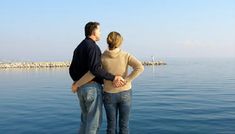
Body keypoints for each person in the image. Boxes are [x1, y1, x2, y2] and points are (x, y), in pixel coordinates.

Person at [72, 31, 144, 134]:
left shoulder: (102, 57)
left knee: (111, 126)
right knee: (124, 125)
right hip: (125, 92)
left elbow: (92, 73)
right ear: (120, 42)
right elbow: (140, 67)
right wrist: (125, 80)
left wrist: (77, 84)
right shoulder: (126, 55)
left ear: (108, 42)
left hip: (109, 94)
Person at [69, 22, 125, 134]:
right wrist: (113, 77)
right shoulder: (93, 47)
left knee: (85, 121)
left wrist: (77, 83)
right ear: (94, 31)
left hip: (81, 90)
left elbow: (71, 70)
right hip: (92, 89)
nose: (100, 33)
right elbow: (95, 70)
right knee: (94, 124)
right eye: (99, 30)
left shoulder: (79, 47)